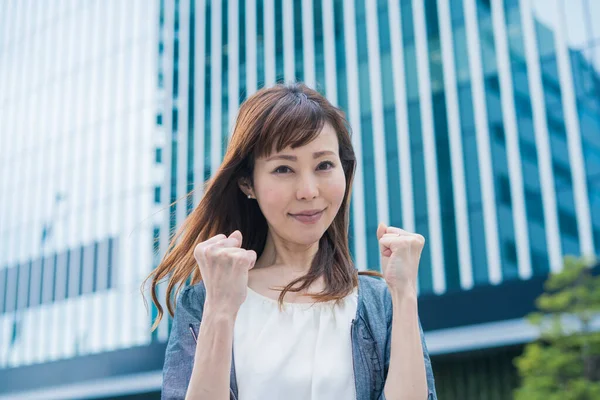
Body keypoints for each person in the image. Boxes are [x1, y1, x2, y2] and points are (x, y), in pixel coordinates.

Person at [144, 83, 437, 400]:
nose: (308, 190)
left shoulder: (379, 302)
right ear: (248, 183)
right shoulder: (205, 301)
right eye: (284, 168)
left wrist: (405, 293)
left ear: (345, 169)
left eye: (324, 165)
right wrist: (220, 310)